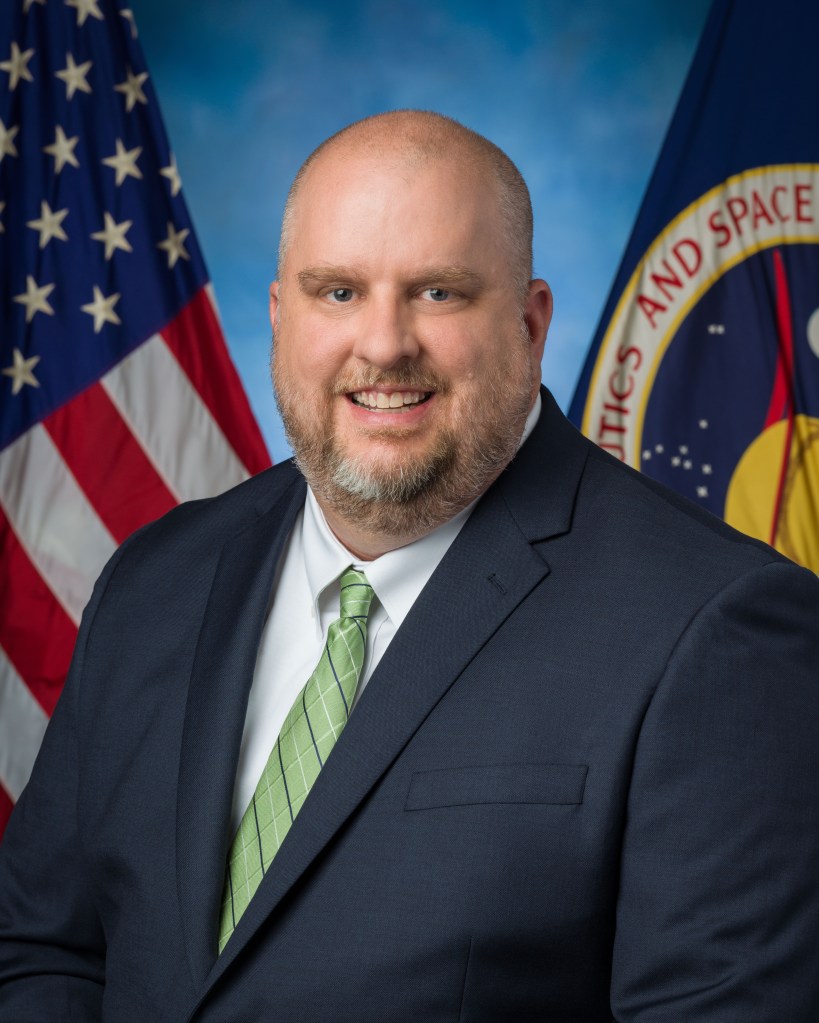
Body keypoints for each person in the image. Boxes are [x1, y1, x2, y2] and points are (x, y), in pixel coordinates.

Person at [1, 110, 818, 1022]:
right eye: (337, 292)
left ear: (530, 322)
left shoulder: (717, 627)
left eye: (437, 292)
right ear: (279, 318)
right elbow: (45, 949)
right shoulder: (155, 578)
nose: (384, 344)